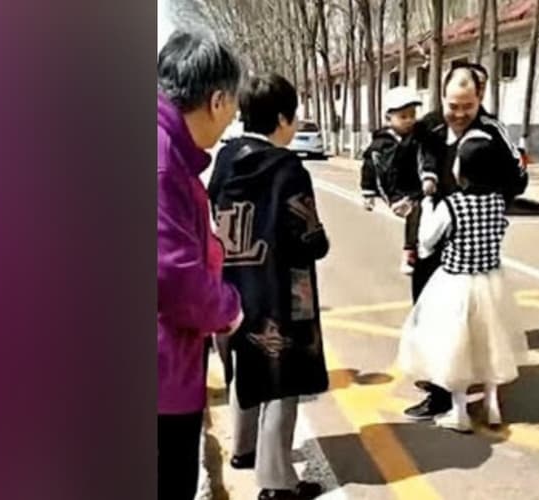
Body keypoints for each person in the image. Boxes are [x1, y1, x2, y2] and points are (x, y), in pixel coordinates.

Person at [208, 73, 329, 500]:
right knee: (283, 379)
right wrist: (319, 241)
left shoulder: (224, 161)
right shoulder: (287, 168)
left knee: (244, 367)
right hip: (280, 290)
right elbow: (309, 236)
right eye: (293, 118)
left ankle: (244, 450)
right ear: (282, 118)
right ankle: (276, 482)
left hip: (233, 287)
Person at [404, 66, 528, 421]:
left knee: (477, 322)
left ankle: (453, 393)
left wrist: (485, 200)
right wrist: (418, 190)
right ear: (441, 97)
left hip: (469, 236)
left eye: (467, 106)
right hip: (433, 231)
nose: (459, 113)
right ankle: (441, 387)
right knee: (432, 317)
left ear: (480, 99)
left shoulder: (492, 132)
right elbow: (404, 166)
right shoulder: (428, 128)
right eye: (453, 105)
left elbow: (517, 178)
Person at [157, 31, 245, 500]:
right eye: (232, 107)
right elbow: (171, 276)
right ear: (216, 100)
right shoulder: (162, 160)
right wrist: (228, 308)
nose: (231, 120)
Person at [360, 86, 423, 274]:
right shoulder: (380, 144)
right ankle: (409, 253)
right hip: (394, 191)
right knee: (415, 211)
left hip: (416, 187)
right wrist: (368, 193)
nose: (409, 120)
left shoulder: (418, 137)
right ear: (389, 119)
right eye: (403, 116)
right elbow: (369, 167)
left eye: (412, 115)